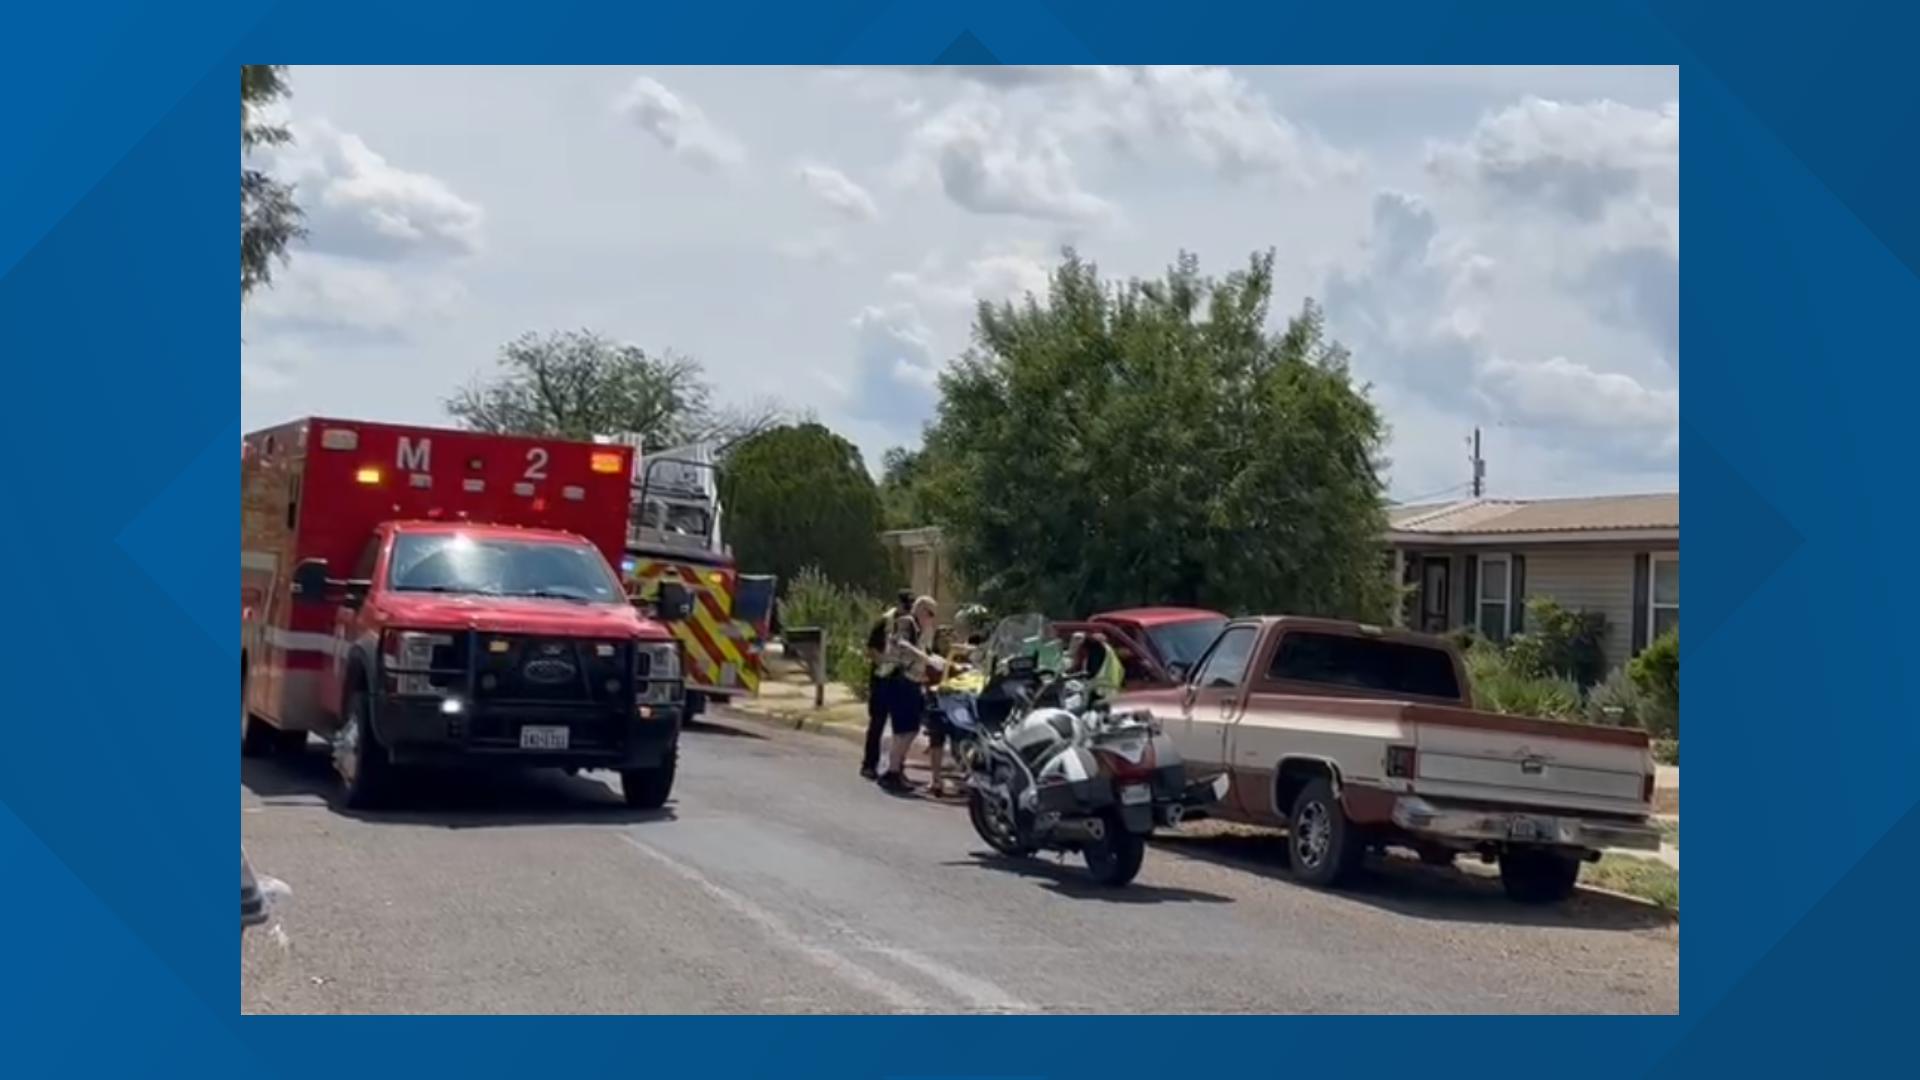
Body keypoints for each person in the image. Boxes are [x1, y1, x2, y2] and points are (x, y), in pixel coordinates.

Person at [876, 596, 940, 793]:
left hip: (909, 683)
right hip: (900, 682)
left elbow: (923, 653)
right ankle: (892, 772)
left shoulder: (920, 632)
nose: (931, 619)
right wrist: (927, 660)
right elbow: (902, 644)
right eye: (930, 613)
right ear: (920, 610)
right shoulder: (907, 623)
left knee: (908, 729)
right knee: (906, 729)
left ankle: (896, 769)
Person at [860, 590, 916, 780]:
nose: (907, 610)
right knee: (877, 723)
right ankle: (869, 764)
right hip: (882, 680)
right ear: (898, 604)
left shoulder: (911, 625)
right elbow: (870, 650)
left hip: (901, 681)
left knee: (901, 727)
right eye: (906, 606)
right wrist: (886, 661)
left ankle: (896, 767)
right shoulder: (884, 623)